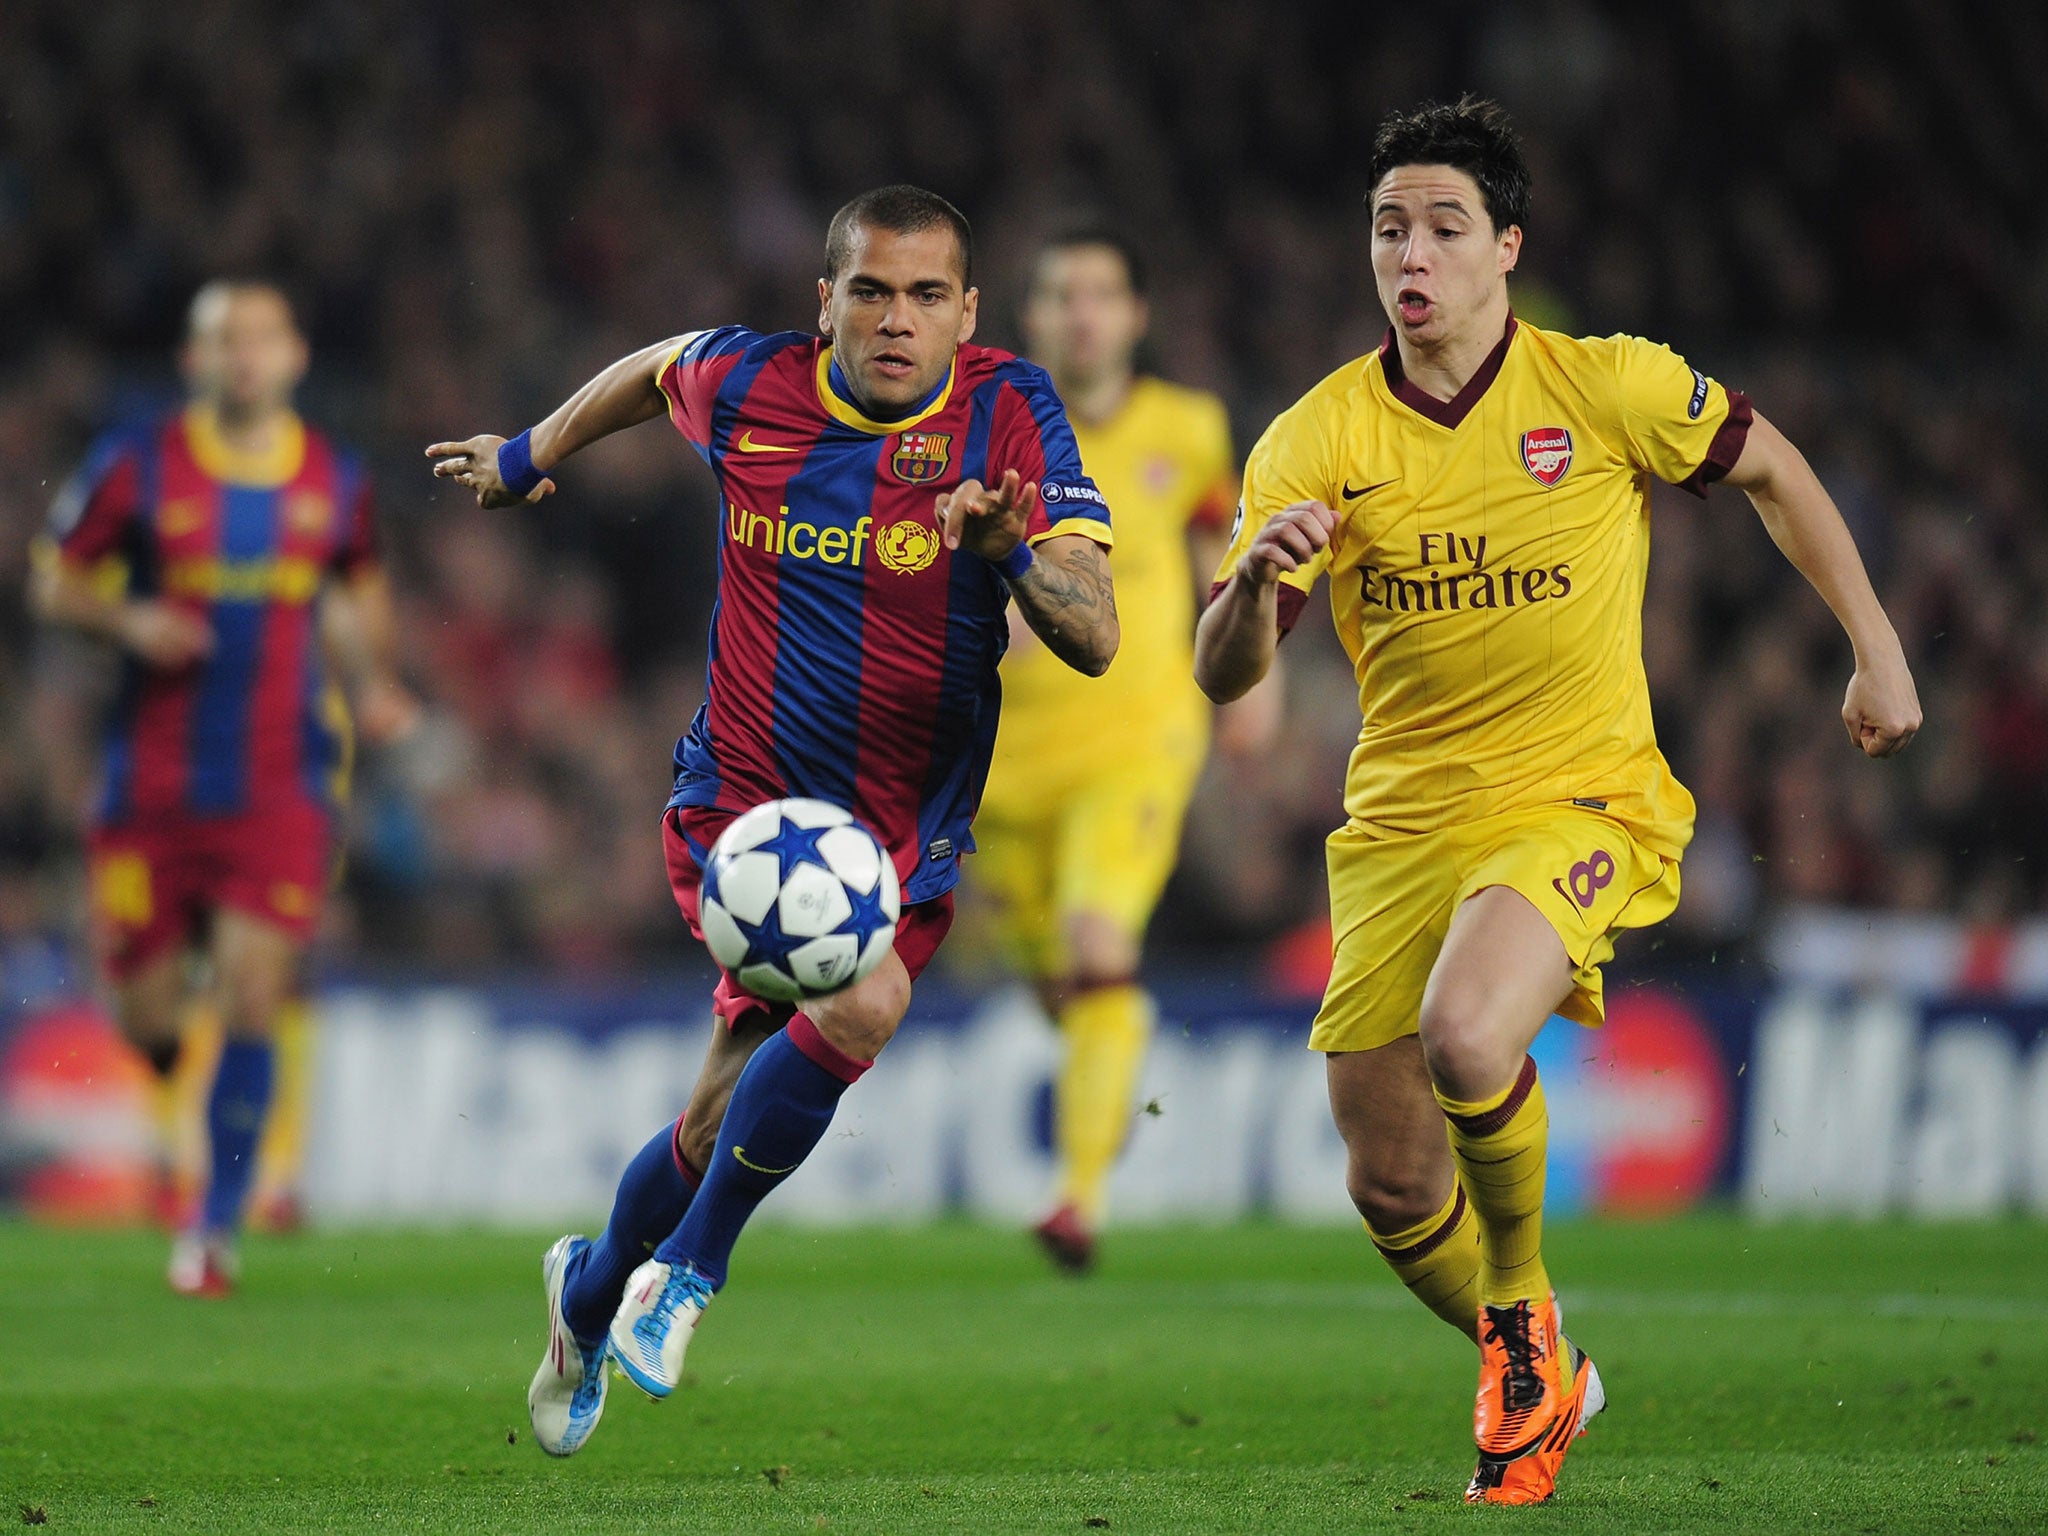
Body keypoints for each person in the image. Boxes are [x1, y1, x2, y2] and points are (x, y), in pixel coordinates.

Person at [1194, 99, 1920, 1506]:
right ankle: (1551, 1370)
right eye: (1389, 228)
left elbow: (1771, 467)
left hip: (1582, 798)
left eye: (1444, 228)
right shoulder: (1314, 438)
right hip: (1401, 827)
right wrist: (1247, 588)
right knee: (1393, 1186)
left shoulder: (1607, 389)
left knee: (1471, 1033)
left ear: (1507, 249)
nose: (1411, 254)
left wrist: (1876, 642)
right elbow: (1226, 674)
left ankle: (1523, 1323)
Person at [428, 185, 1119, 1458]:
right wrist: (529, 452)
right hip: (744, 811)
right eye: (869, 290)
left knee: (713, 1119)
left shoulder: (1009, 409)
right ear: (826, 301)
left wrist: (1012, 554)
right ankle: (688, 1279)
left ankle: (585, 1293)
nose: (895, 320)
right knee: (864, 1007)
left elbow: (1097, 632)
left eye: (924, 296)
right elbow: (655, 369)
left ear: (967, 312)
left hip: (906, 826)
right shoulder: (753, 386)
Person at [32, 280, 412, 1296]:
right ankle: (174, 1095)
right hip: (149, 792)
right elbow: (52, 577)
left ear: (293, 356)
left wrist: (373, 687)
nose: (243, 358)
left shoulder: (334, 478)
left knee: (253, 994)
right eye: (222, 342)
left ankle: (212, 1225)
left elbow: (348, 591)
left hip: (277, 785)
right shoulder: (137, 465)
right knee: (149, 1021)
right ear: (193, 362)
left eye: (261, 339)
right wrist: (126, 621)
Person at [972, 230, 1260, 1271]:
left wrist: (1246, 676)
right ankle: (1107, 1075)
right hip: (1001, 765)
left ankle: (1076, 1198)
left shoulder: (1185, 427)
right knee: (1063, 991)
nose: (1081, 313)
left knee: (1100, 951)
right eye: (1059, 294)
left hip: (1135, 739)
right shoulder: (984, 428)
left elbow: (1212, 550)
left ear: (1135, 315)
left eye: (1101, 293)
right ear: (1032, 317)